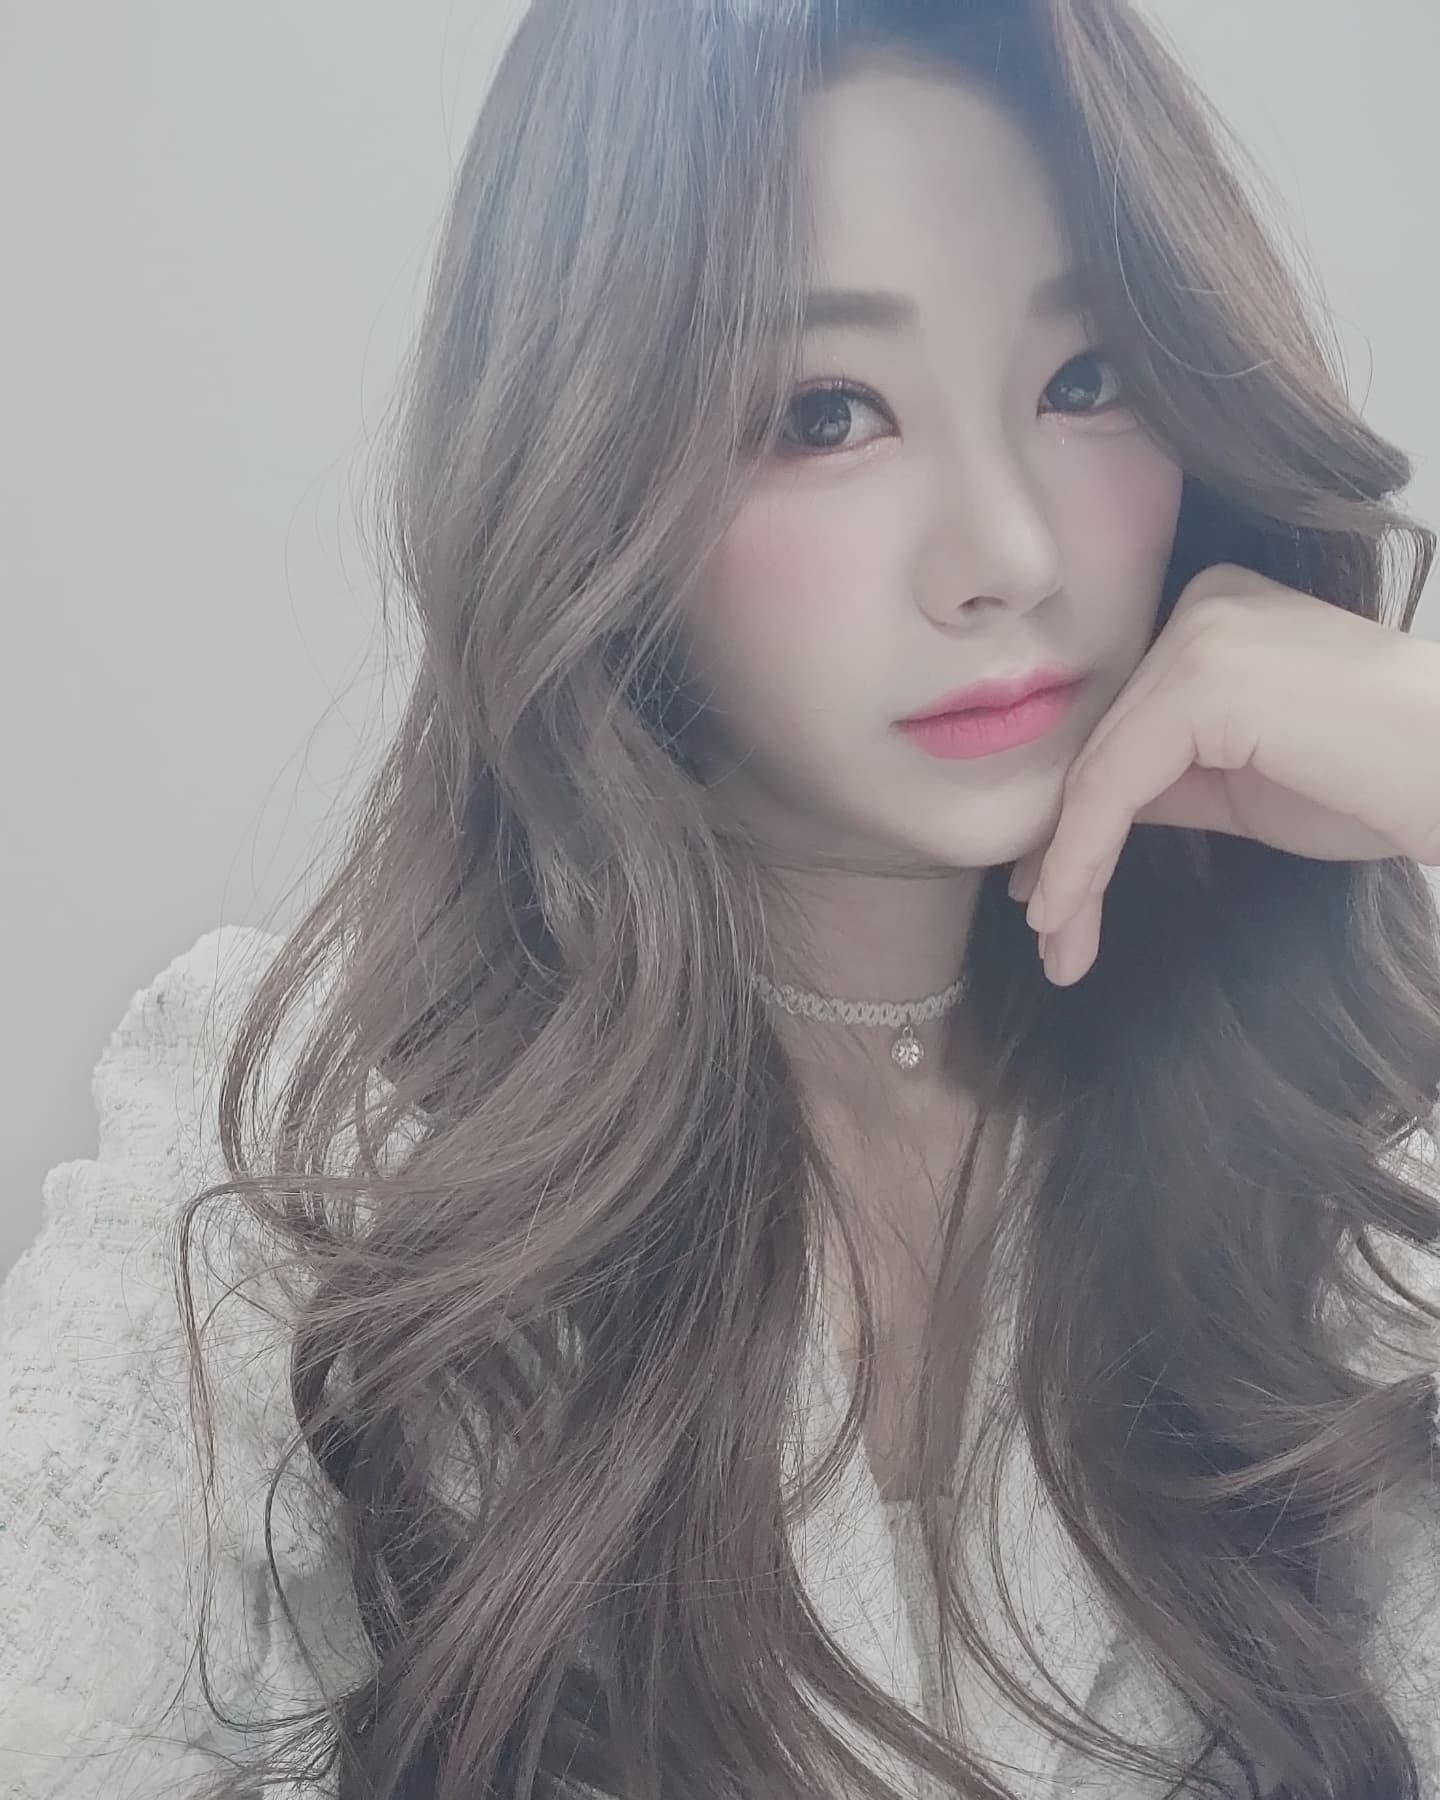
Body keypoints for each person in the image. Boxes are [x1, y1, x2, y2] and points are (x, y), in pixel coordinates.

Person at [5, 1, 1440, 1796]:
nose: (1005, 552)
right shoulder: (319, 1134)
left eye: (1087, 380)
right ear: (591, 466)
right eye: (826, 413)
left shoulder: (1347, 1124)